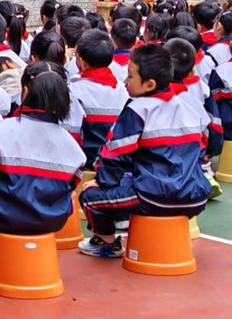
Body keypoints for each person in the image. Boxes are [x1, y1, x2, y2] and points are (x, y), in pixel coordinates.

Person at [78, 45, 212, 258]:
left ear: (149, 84)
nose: (125, 81)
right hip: (196, 197)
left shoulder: (137, 110)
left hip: (154, 197)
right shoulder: (188, 107)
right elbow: (203, 147)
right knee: (131, 180)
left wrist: (103, 181)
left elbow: (115, 154)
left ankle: (106, 242)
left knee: (89, 196)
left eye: (130, 76)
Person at [0, 69, 85, 237]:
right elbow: (71, 185)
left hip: (2, 216)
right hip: (53, 219)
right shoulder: (72, 145)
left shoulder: (2, 130)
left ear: (25, 93)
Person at [68, 30, 128, 168]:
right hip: (116, 165)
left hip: (85, 164)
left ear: (82, 62)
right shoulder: (124, 91)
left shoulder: (74, 91)